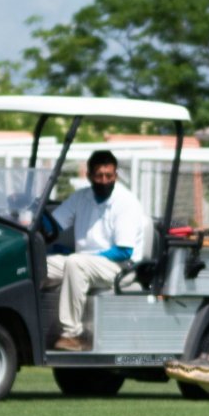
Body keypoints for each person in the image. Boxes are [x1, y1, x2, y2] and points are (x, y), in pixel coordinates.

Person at [45, 150, 145, 351]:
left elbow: (124, 251)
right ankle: (37, 324)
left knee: (75, 263)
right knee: (39, 264)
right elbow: (52, 224)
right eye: (99, 176)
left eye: (109, 176)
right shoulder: (81, 197)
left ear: (116, 175)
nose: (104, 181)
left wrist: (85, 258)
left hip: (120, 267)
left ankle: (72, 334)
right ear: (89, 176)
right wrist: (31, 220)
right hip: (86, 263)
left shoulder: (125, 202)